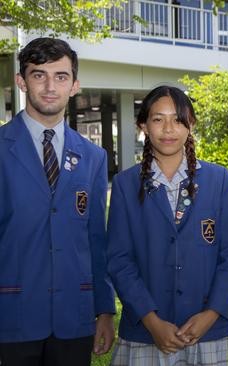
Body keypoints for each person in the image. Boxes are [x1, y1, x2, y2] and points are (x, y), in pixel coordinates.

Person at [106, 86, 228, 365]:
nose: (169, 129)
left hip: (209, 332)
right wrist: (151, 320)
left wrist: (212, 313)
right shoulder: (125, 184)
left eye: (178, 119)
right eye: (158, 119)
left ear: (190, 124)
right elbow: (119, 260)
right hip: (146, 332)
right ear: (143, 125)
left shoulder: (218, 180)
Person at [0, 38, 115, 365]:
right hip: (11, 317)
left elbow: (96, 240)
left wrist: (104, 310)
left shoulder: (93, 156)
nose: (50, 86)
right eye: (39, 75)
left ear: (75, 85)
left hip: (73, 320)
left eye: (61, 76)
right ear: (22, 82)